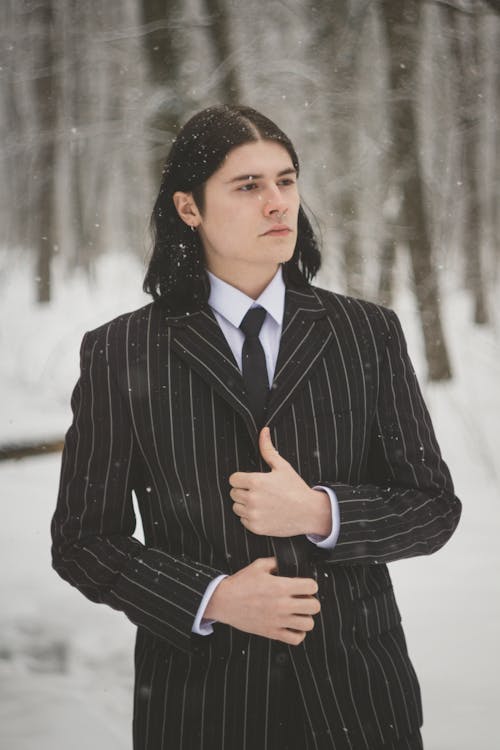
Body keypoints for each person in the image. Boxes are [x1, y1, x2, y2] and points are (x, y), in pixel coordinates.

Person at [51, 105, 461, 750]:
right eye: (248, 186)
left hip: (361, 701)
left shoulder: (366, 333)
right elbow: (83, 541)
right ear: (189, 209)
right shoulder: (121, 351)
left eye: (286, 181)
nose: (278, 203)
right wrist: (211, 598)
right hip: (201, 710)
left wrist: (319, 511)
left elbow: (433, 509)